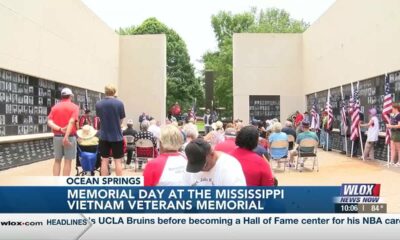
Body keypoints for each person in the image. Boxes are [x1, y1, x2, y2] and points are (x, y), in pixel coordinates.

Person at [47, 88, 79, 176]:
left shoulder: (55, 107)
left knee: (57, 161)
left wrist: (60, 129)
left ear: (62, 96)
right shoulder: (74, 107)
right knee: (67, 162)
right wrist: (66, 137)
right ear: (71, 96)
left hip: (57, 137)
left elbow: (49, 122)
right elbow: (72, 122)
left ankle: (56, 183)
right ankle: (64, 184)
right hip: (69, 138)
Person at [95, 84, 126, 176]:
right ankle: (119, 184)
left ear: (105, 91)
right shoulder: (119, 103)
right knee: (118, 161)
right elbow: (121, 120)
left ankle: (104, 183)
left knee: (104, 161)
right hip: (117, 136)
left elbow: (99, 118)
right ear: (114, 92)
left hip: (103, 136)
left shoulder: (98, 104)